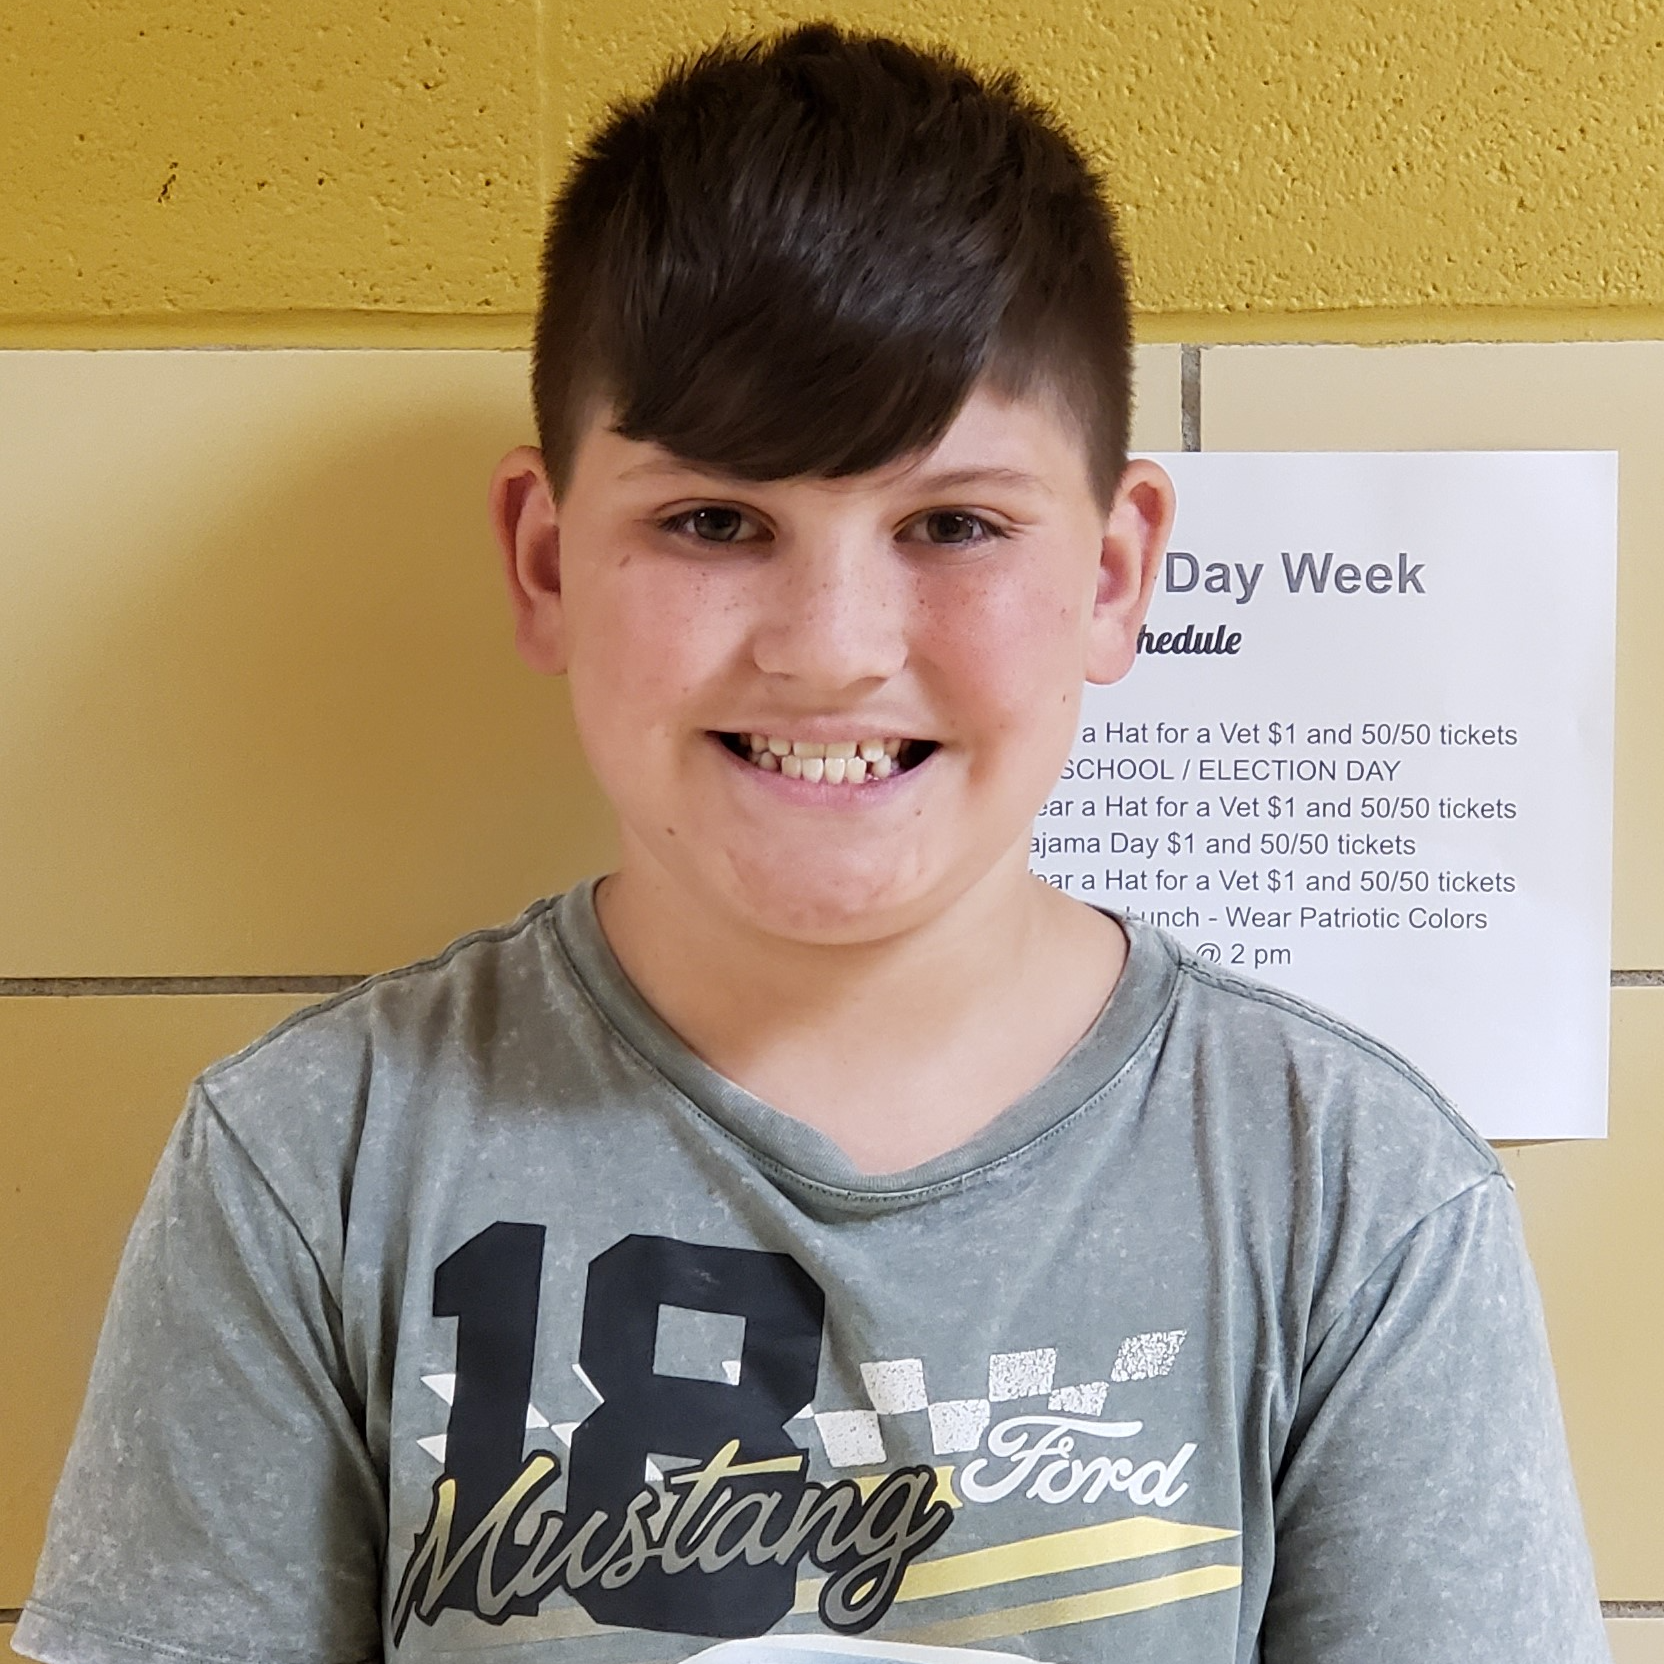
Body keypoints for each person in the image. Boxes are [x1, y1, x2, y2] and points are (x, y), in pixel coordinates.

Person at [14, 21, 1608, 1664]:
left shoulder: (1350, 1196)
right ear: (549, 561)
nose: (832, 646)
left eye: (953, 525)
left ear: (1118, 576)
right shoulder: (311, 1166)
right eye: (714, 521)